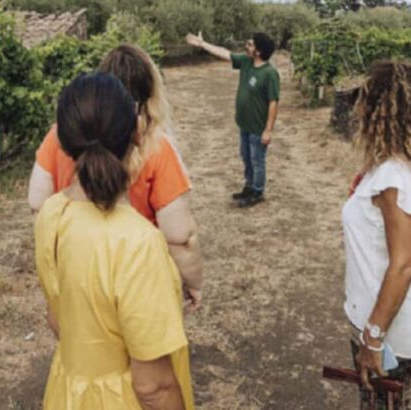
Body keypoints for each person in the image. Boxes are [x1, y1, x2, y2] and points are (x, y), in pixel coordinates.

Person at [35, 72, 193, 409]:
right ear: (136, 133)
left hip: (67, 394)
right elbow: (154, 387)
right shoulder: (138, 243)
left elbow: (56, 318)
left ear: (62, 143)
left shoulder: (51, 214)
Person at [28, 44, 203, 311]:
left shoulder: (60, 134)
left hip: (77, 280)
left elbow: (38, 203)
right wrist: (192, 281)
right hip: (138, 278)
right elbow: (179, 236)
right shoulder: (157, 147)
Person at [342, 61, 411, 409]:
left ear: (378, 111)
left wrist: (373, 336)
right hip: (403, 315)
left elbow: (404, 264)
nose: (357, 108)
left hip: (387, 324)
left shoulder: (394, 177)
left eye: (363, 100)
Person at [185, 31, 280, 208]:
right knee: (246, 157)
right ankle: (249, 185)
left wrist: (268, 130)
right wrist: (203, 44)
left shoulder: (269, 73)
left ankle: (257, 192)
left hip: (258, 128)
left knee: (257, 160)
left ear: (258, 52)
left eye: (251, 45)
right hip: (244, 124)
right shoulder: (246, 62)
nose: (247, 46)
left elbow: (273, 102)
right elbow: (224, 53)